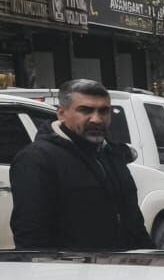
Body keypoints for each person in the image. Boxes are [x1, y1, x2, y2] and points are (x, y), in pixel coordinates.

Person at [10, 80, 150, 252]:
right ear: (61, 113)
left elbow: (134, 222)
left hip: (121, 271)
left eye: (104, 111)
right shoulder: (37, 159)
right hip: (71, 274)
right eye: (85, 110)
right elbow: (31, 235)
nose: (97, 119)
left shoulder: (112, 155)